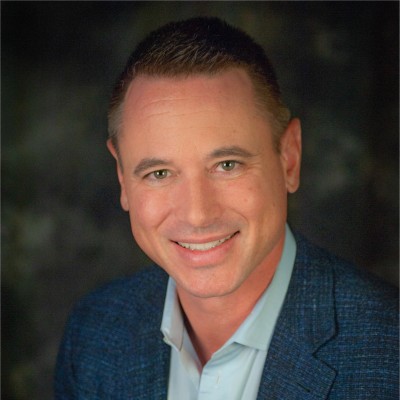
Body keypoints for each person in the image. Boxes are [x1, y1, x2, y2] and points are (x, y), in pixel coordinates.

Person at [54, 17, 398, 399]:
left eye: (227, 165)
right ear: (122, 177)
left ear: (289, 159)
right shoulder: (93, 334)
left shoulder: (390, 354)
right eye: (159, 173)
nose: (198, 214)